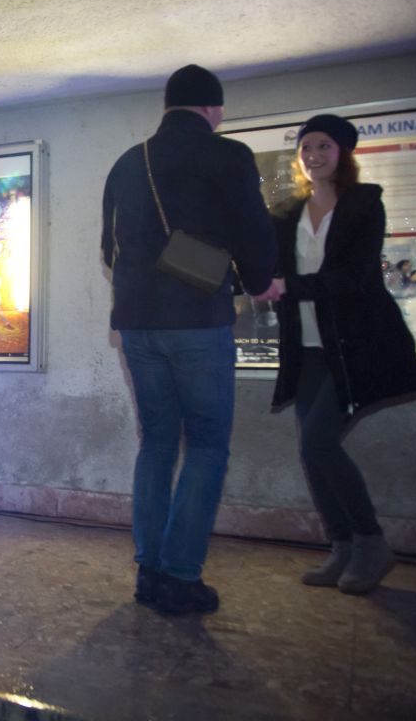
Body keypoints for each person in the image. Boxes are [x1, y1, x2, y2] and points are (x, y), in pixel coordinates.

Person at [100, 65, 276, 614]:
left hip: (136, 324)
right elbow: (253, 229)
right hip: (198, 320)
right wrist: (259, 280)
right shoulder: (228, 155)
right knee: (206, 444)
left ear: (167, 107)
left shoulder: (128, 162)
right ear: (211, 108)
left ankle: (149, 572)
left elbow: (108, 249)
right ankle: (180, 576)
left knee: (156, 442)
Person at [259, 114, 416, 594]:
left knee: (318, 443)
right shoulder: (288, 213)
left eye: (324, 146)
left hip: (355, 346)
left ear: (343, 153)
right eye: (306, 147)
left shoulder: (364, 204)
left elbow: (353, 278)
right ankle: (343, 546)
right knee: (311, 451)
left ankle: (371, 543)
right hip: (307, 349)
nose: (313, 155)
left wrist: (287, 286)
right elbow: (266, 266)